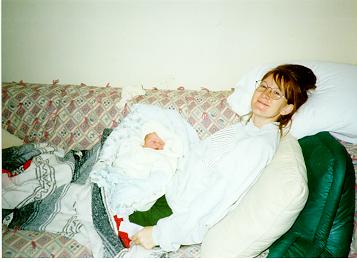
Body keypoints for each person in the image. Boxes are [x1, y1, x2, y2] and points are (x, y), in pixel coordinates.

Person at [129, 64, 317, 252]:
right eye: (264, 86)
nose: (266, 95)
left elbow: (217, 197)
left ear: (286, 109)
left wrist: (159, 234)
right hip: (167, 191)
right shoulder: (246, 127)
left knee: (110, 217)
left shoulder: (258, 145)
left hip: (174, 213)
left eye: (277, 93)